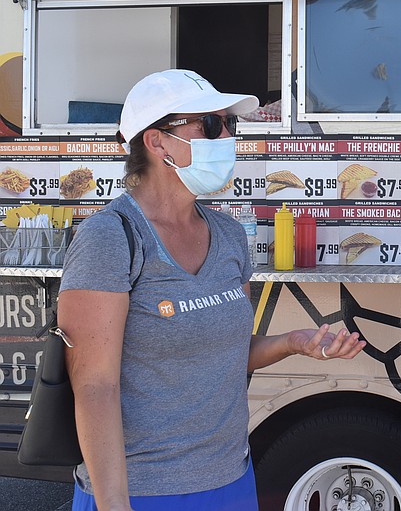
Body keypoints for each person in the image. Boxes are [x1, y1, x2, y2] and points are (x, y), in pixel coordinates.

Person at [59, 69, 366, 511]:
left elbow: (226, 354)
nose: (226, 137)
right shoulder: (110, 237)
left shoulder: (228, 235)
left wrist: (293, 343)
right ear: (156, 141)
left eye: (229, 125)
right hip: (140, 492)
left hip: (230, 480)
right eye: (209, 125)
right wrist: (113, 503)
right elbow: (95, 385)